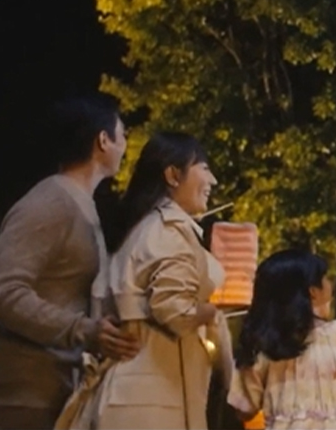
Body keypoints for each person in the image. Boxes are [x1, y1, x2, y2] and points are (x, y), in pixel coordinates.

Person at [0, 94, 139, 430]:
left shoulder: (82, 205)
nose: (126, 145)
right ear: (103, 140)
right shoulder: (49, 204)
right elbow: (2, 293)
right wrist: (83, 330)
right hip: (22, 400)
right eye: (122, 134)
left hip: (59, 395)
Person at [64, 131, 231, 429]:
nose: (213, 180)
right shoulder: (169, 231)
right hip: (153, 401)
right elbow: (176, 313)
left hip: (128, 391)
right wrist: (212, 312)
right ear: (173, 175)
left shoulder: (140, 228)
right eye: (204, 168)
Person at [228, 249, 336, 430]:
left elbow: (244, 408)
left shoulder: (266, 342)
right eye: (326, 278)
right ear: (313, 292)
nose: (330, 285)